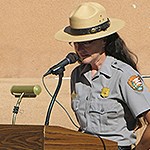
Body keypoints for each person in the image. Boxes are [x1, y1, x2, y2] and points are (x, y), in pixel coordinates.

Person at [54, 2, 150, 150]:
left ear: (104, 40)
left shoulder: (123, 74)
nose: (80, 49)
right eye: (76, 43)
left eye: (87, 42)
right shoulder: (77, 75)